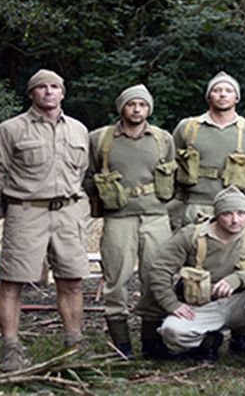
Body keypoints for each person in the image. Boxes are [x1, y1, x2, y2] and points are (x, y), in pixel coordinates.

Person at [0, 69, 90, 371]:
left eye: (55, 87)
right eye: (42, 87)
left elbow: (81, 172)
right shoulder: (10, 130)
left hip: (68, 212)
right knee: (13, 282)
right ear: (31, 93)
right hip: (26, 211)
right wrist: (10, 210)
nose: (49, 92)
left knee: (73, 280)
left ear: (63, 93)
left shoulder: (78, 130)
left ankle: (74, 342)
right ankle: (11, 347)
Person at [169, 72, 245, 353]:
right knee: (197, 266)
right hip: (198, 205)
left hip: (239, 209)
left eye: (228, 90)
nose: (222, 95)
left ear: (237, 97)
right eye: (217, 90)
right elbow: (172, 166)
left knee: (244, 264)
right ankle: (205, 333)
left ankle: (240, 334)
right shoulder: (188, 128)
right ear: (208, 95)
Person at [146, 186, 245, 374]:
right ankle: (209, 342)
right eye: (227, 214)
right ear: (217, 214)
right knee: (172, 331)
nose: (235, 220)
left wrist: (237, 279)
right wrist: (171, 303)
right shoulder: (191, 235)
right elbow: (159, 269)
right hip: (203, 305)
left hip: (241, 304)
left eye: (241, 214)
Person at [84, 84, 176, 358]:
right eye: (131, 104)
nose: (137, 109)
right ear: (121, 108)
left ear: (149, 109)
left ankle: (152, 341)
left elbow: (175, 175)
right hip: (118, 217)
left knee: (156, 276)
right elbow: (87, 176)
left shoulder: (162, 138)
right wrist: (104, 196)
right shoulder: (100, 138)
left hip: (156, 216)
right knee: (116, 277)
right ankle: (121, 343)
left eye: (142, 105)